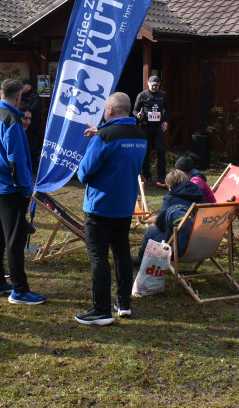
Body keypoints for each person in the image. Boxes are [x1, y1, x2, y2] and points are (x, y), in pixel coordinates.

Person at [74, 92, 148, 325]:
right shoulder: (140, 134)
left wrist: (99, 136)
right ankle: (123, 303)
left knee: (98, 257)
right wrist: (100, 134)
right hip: (125, 204)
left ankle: (100, 310)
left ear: (110, 111)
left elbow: (84, 172)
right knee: (121, 253)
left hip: (100, 205)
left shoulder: (105, 136)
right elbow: (123, 152)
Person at [0, 78, 44, 305]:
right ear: (19, 97)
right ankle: (19, 290)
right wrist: (25, 190)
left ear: (0, 93)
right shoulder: (12, 121)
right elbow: (16, 159)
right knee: (15, 239)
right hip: (10, 188)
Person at [137, 169, 204, 262]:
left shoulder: (170, 199)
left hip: (179, 247)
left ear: (170, 186)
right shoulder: (199, 194)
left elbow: (160, 224)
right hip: (203, 244)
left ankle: (140, 259)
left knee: (150, 231)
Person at [134, 76, 168, 187]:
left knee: (161, 151)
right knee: (145, 152)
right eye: (152, 85)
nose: (154, 87)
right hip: (145, 127)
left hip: (158, 127)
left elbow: (167, 109)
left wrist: (166, 121)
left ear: (159, 85)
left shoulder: (163, 95)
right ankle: (148, 176)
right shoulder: (142, 95)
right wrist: (138, 115)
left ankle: (161, 177)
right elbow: (134, 110)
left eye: (156, 85)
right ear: (148, 83)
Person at [20, 78, 43, 167]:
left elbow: (34, 108)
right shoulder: (21, 95)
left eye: (23, 86)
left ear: (28, 87)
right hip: (23, 125)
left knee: (33, 146)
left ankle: (33, 166)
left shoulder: (34, 95)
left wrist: (24, 110)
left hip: (33, 126)